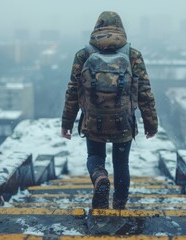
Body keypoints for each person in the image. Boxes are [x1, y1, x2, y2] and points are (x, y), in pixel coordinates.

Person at [61, 11, 158, 209]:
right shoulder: (133, 55)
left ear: (97, 28)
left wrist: (67, 123)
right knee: (121, 164)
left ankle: (100, 177)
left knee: (95, 157)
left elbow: (73, 91)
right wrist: (151, 124)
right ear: (121, 28)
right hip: (123, 121)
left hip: (93, 120)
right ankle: (120, 205)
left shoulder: (83, 54)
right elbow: (144, 92)